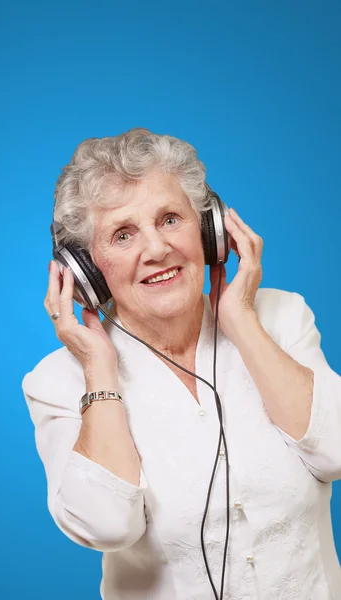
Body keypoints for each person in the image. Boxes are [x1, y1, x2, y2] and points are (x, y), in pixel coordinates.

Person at [21, 127, 341, 599]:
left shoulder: (282, 317)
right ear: (88, 271)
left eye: (170, 219)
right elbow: (108, 526)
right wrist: (100, 371)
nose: (156, 249)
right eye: (123, 234)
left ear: (208, 229)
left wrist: (240, 320)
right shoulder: (58, 381)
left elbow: (335, 451)